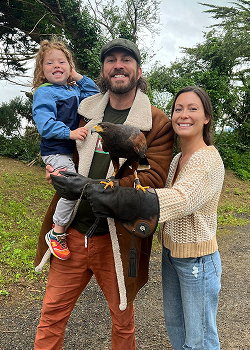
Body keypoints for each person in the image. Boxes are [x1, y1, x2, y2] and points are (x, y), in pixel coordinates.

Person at [34, 38, 174, 350]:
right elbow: (63, 148)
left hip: (118, 238)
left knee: (123, 322)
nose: (118, 65)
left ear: (138, 70)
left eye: (126, 60)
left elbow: (155, 179)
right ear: (103, 70)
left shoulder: (156, 122)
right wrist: (54, 169)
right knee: (51, 315)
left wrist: (91, 188)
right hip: (71, 235)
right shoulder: (86, 110)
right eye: (111, 60)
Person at [61, 86, 225, 350]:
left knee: (200, 340)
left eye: (193, 109)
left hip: (198, 262)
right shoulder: (178, 159)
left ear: (206, 118)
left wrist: (109, 194)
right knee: (178, 330)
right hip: (173, 255)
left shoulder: (207, 160)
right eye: (178, 109)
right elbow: (160, 190)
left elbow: (181, 200)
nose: (183, 115)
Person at [32, 39, 99, 260]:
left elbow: (94, 95)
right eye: (50, 63)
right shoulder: (45, 92)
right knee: (73, 189)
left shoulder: (73, 90)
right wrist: (69, 133)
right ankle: (57, 232)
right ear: (42, 71)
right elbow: (45, 124)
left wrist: (77, 76)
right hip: (56, 151)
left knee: (75, 187)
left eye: (62, 62)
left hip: (71, 152)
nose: (57, 66)